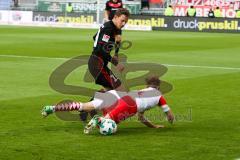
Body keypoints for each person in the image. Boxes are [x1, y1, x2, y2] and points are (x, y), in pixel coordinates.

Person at [42, 76, 174, 132]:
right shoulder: (159, 96)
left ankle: (53, 108)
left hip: (117, 94)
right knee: (108, 125)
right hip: (129, 103)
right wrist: (168, 118)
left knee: (84, 106)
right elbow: (170, 116)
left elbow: (141, 117)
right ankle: (97, 119)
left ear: (147, 85)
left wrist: (153, 126)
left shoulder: (143, 91)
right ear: (158, 87)